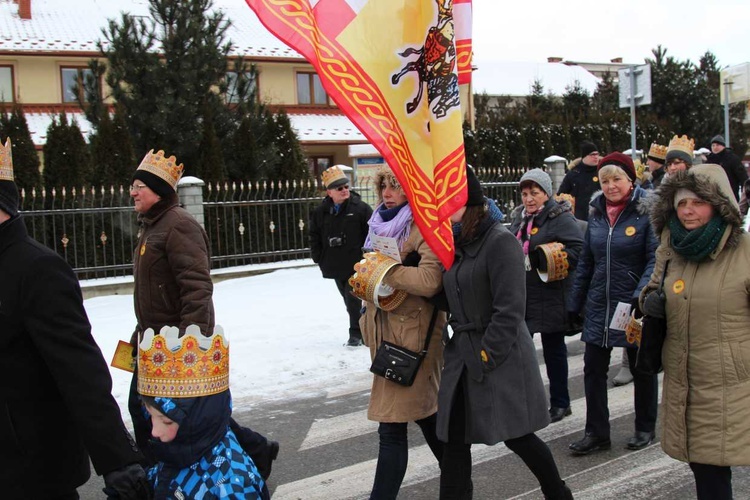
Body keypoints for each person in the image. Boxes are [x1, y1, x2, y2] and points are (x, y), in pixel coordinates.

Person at [0, 138, 150, 499]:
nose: (134, 195)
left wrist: (117, 460)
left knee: (158, 408)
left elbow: (78, 371)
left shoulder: (37, 268)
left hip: (30, 470)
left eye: (141, 189)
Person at [127, 149, 278, 478]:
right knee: (165, 412)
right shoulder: (152, 226)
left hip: (175, 346)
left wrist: (189, 343)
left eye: (139, 185)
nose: (133, 192)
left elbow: (196, 287)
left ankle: (156, 474)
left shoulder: (179, 225)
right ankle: (256, 449)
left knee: (161, 414)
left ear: (160, 191)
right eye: (132, 186)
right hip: (152, 341)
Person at [439, 166, 572, 499]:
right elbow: (450, 293)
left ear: (469, 203)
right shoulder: (453, 242)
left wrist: (487, 354)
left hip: (499, 356)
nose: (441, 210)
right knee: (454, 441)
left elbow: (510, 310)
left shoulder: (500, 242)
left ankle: (557, 493)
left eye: (449, 203)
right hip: (463, 356)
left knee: (518, 436)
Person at [639, 164, 750, 500]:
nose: (687, 210)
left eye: (697, 203)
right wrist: (650, 301)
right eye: (681, 203)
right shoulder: (672, 247)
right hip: (687, 382)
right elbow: (654, 288)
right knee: (706, 468)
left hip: (735, 383)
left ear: (718, 205)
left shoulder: (745, 253)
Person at [359, 166, 446, 500]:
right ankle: (459, 482)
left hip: (415, 337)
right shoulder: (378, 225)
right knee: (426, 418)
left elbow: (429, 281)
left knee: (392, 427)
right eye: (384, 185)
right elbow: (373, 275)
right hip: (386, 334)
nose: (387, 192)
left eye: (396, 186)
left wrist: (387, 270)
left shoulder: (423, 226)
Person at [567, 152, 659, 455]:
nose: (610, 185)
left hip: (632, 306)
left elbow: (654, 259)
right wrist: (574, 303)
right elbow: (587, 264)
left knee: (640, 367)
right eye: (605, 180)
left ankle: (645, 427)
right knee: (593, 369)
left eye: (617, 178)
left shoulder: (646, 213)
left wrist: (640, 295)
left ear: (630, 180)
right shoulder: (595, 213)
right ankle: (597, 433)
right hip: (599, 303)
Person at [137, 328, 269, 498]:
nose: (154, 431)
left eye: (167, 421)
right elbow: (171, 478)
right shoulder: (182, 449)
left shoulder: (231, 485)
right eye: (151, 416)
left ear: (198, 421)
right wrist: (142, 486)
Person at [508, 168, 583, 423]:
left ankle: (561, 403)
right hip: (526, 294)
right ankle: (527, 401)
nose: (529, 199)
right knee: (522, 352)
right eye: (525, 193)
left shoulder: (560, 216)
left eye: (535, 193)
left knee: (554, 352)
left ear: (546, 193)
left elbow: (578, 250)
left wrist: (550, 257)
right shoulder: (519, 218)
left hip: (552, 293)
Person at [309, 165, 373, 346]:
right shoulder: (321, 212)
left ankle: (356, 335)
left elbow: (372, 233)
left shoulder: (360, 208)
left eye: (346, 186)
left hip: (356, 264)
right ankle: (362, 328)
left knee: (352, 299)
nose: (345, 190)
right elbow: (314, 235)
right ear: (330, 192)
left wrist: (367, 257)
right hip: (335, 264)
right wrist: (318, 257)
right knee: (347, 300)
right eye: (339, 188)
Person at [558, 140, 601, 221]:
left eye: (597, 154)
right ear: (584, 156)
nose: (596, 157)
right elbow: (561, 195)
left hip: (600, 217)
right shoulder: (573, 174)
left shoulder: (602, 172)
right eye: (592, 154)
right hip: (578, 219)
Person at [706, 134, 748, 201]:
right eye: (713, 145)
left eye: (717, 145)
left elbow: (743, 177)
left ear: (723, 146)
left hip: (730, 196)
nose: (715, 147)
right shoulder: (709, 160)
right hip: (713, 197)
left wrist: (746, 191)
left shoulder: (732, 159)